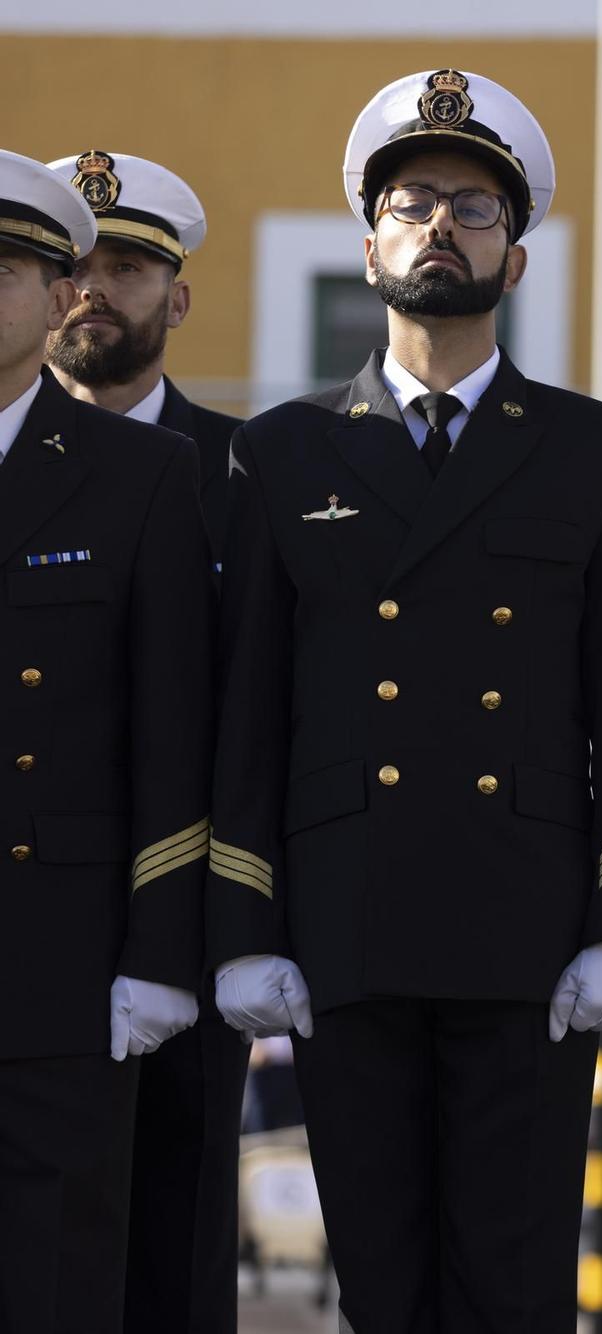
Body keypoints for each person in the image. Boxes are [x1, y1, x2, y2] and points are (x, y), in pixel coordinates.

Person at [202, 70, 602, 1331]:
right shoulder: (283, 451)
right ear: (369, 251)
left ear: (515, 259)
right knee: (381, 1279)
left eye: (474, 208)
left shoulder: (595, 448)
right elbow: (251, 709)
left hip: (524, 929)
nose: (440, 228)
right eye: (411, 204)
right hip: (347, 920)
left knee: (515, 1287)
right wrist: (244, 922)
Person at [0, 149, 211, 1334]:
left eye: (12, 270)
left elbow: (169, 731)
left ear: (55, 292)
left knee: (57, 1286)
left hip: (61, 962)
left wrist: (157, 951)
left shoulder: (145, 474)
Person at [43, 146, 248, 1334]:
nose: (93, 292)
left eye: (127, 268)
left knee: (175, 1248)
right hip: (32, 916)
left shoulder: (249, 471)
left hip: (193, 924)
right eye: (72, 266)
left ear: (176, 296)